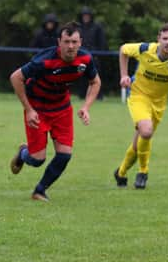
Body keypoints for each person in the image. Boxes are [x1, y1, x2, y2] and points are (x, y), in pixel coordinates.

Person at [9, 21, 101, 201]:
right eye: (66, 41)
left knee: (65, 155)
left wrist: (86, 107)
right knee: (37, 159)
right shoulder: (44, 60)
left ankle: (40, 191)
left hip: (62, 109)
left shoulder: (85, 60)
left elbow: (95, 82)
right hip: (38, 109)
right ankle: (23, 153)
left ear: (80, 42)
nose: (70, 46)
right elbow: (15, 77)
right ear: (59, 42)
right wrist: (28, 109)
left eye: (74, 42)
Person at [114, 23, 168, 190]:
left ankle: (121, 172)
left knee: (138, 142)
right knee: (146, 132)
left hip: (159, 103)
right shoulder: (145, 49)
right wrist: (124, 75)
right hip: (139, 96)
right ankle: (143, 172)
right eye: (165, 38)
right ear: (158, 39)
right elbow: (123, 49)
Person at [78, 6, 108, 99]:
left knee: (96, 75)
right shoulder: (79, 28)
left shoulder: (97, 27)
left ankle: (98, 95)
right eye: (84, 16)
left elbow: (102, 41)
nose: (85, 18)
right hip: (81, 56)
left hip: (95, 56)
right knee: (82, 75)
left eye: (87, 16)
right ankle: (82, 95)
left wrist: (99, 54)